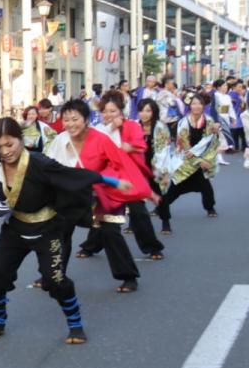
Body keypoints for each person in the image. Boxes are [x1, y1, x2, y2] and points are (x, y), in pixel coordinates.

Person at [0, 118, 135, 345]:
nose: (5, 151)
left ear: (21, 140)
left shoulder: (39, 163)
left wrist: (112, 181)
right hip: (15, 230)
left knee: (55, 279)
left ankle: (75, 325)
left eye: (10, 144)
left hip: (47, 228)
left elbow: (73, 175)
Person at [45, 98, 151, 293]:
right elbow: (49, 167)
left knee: (110, 232)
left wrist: (104, 182)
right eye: (66, 120)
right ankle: (54, 274)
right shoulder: (60, 140)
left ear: (86, 119)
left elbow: (118, 164)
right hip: (71, 195)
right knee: (61, 233)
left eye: (75, 119)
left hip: (100, 193)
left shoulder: (101, 139)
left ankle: (128, 276)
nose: (70, 124)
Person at [78, 91, 164, 260]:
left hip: (130, 176)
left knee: (139, 212)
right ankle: (90, 246)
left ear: (121, 111)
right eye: (105, 111)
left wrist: (129, 147)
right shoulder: (99, 129)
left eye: (113, 111)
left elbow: (140, 146)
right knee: (104, 214)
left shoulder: (132, 125)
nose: (108, 115)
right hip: (109, 179)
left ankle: (152, 247)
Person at [156, 92, 220, 233]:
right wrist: (196, 159)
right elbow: (183, 144)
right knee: (175, 187)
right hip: (185, 158)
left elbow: (209, 141)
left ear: (203, 106)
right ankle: (160, 207)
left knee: (205, 186)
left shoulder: (208, 120)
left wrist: (205, 158)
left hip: (201, 157)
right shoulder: (183, 122)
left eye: (199, 103)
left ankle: (210, 207)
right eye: (194, 104)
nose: (196, 106)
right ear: (189, 106)